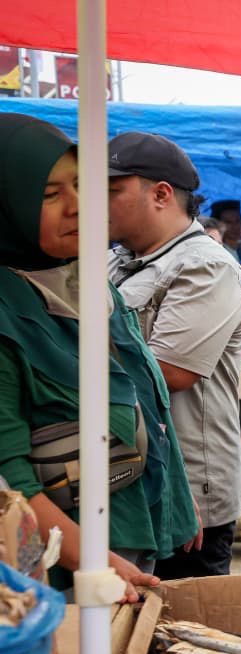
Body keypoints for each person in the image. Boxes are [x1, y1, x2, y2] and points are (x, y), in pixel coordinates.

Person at [0, 114, 199, 601]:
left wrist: (177, 506)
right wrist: (93, 560)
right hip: (59, 566)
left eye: (81, 185)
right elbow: (10, 481)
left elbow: (144, 395)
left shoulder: (91, 281)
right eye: (50, 195)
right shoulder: (7, 313)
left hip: (131, 534)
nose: (77, 207)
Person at [106, 131, 241, 579]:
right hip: (129, 479)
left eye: (112, 191)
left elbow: (167, 372)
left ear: (161, 194)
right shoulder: (115, 262)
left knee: (184, 633)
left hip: (187, 490)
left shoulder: (205, 265)